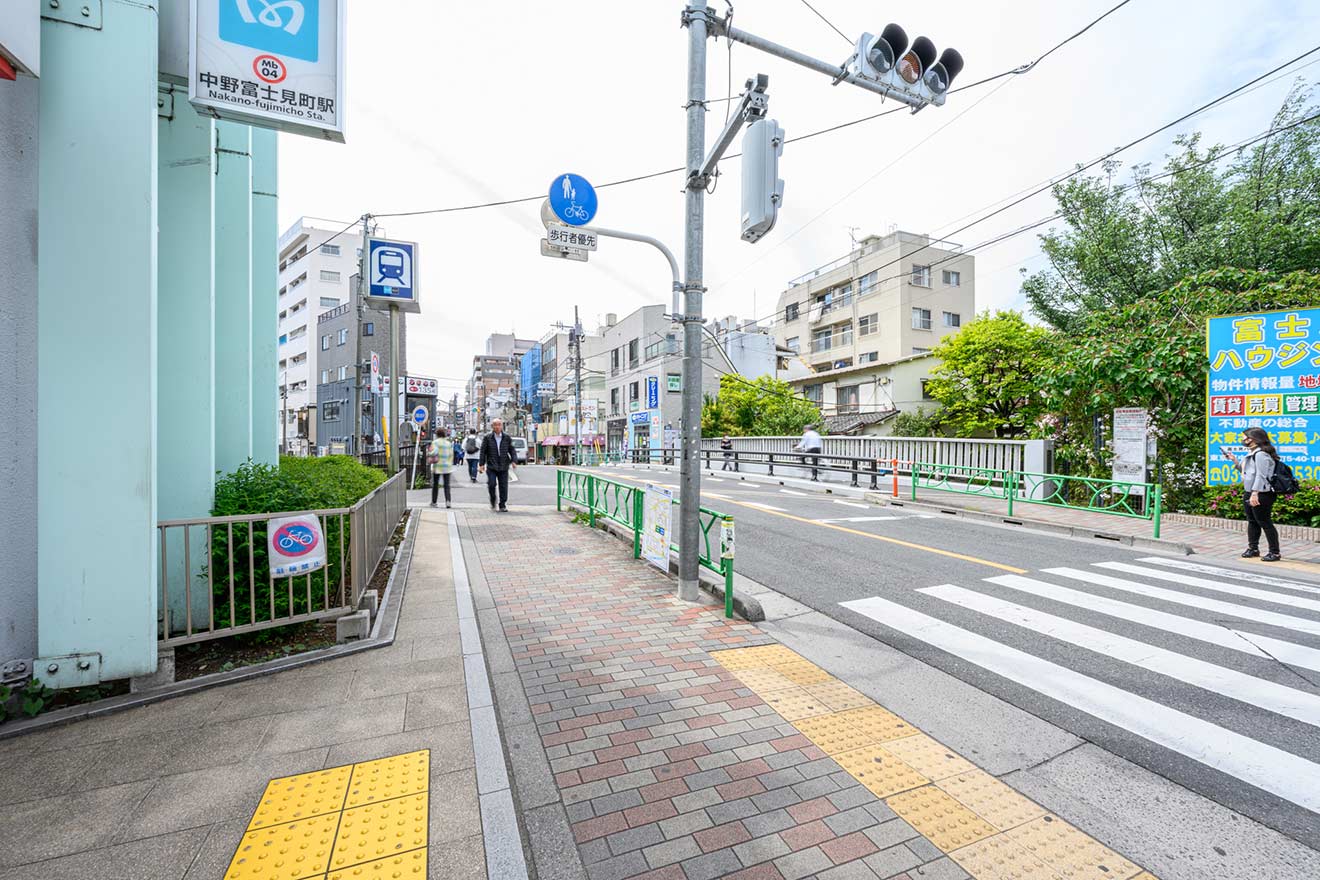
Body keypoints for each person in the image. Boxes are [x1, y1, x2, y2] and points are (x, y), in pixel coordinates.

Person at [1226, 426, 1282, 561]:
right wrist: (1234, 460)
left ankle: (1274, 552)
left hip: (1261, 492)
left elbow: (1261, 476)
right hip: (1250, 491)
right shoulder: (1252, 453)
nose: (1243, 440)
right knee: (1252, 521)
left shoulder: (1261, 454)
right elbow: (1247, 472)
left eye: (1245, 437)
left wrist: (1255, 493)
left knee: (1264, 521)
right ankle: (1253, 548)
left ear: (1253, 439)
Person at [479, 418, 518, 512]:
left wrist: (514, 461)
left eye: (499, 424)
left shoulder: (507, 437)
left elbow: (512, 450)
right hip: (491, 465)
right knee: (491, 484)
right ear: (492, 426)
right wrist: (481, 464)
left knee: (503, 486)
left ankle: (502, 504)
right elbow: (483, 451)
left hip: (504, 465)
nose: (497, 427)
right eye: (495, 425)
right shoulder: (487, 437)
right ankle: (493, 500)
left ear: (502, 426)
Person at [428, 427, 457, 509]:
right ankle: (448, 502)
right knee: (447, 485)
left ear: (437, 434)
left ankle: (434, 502)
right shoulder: (448, 443)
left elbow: (434, 452)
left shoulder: (435, 442)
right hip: (447, 466)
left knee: (435, 484)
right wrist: (450, 463)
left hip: (437, 466)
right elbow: (451, 455)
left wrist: (429, 453)